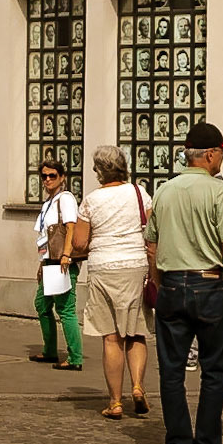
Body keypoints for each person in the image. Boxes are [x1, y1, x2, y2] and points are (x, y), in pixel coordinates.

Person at [144, 121, 223, 444]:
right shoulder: (218, 191)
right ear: (209, 154)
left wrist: (161, 285)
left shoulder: (164, 190)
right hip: (210, 285)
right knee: (215, 370)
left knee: (172, 370)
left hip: (174, 283)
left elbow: (151, 244)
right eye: (222, 152)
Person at [71, 145, 150, 416]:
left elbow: (79, 242)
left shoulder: (91, 201)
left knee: (111, 336)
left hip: (104, 266)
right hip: (135, 266)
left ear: (99, 171)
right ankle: (138, 386)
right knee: (136, 331)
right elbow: (151, 232)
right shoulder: (140, 193)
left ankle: (115, 401)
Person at [31, 156, 83, 371]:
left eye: (52, 176)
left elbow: (70, 227)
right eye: (44, 176)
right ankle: (50, 350)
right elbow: (45, 237)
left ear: (62, 177)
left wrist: (66, 255)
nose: (47, 180)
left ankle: (75, 357)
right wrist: (42, 264)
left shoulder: (66, 199)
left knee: (65, 309)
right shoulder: (48, 203)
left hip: (62, 261)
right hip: (50, 261)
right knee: (42, 304)